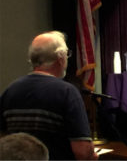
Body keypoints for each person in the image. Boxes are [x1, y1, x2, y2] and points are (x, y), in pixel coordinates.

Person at [0, 31, 98, 160]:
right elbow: (82, 152)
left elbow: (3, 141)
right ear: (61, 57)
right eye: (67, 54)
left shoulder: (10, 91)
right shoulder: (67, 92)